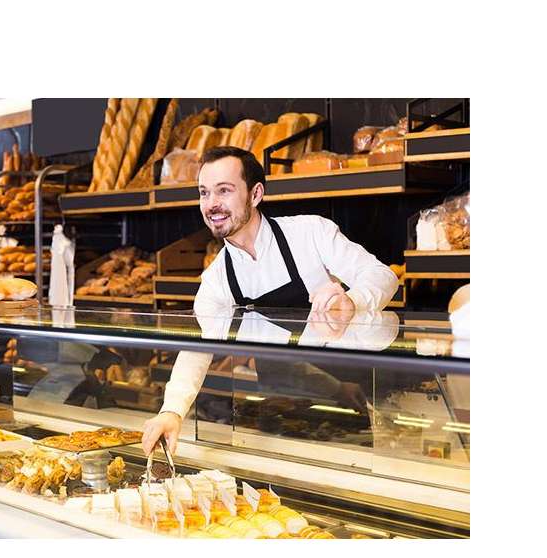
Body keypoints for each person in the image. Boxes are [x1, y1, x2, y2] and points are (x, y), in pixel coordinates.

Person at [141, 146, 398, 456]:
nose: (212, 204)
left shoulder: (310, 234)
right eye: (204, 193)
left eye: (224, 191)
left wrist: (352, 301)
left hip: (353, 402)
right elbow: (198, 351)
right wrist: (172, 411)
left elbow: (382, 275)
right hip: (283, 412)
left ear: (255, 193)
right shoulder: (215, 281)